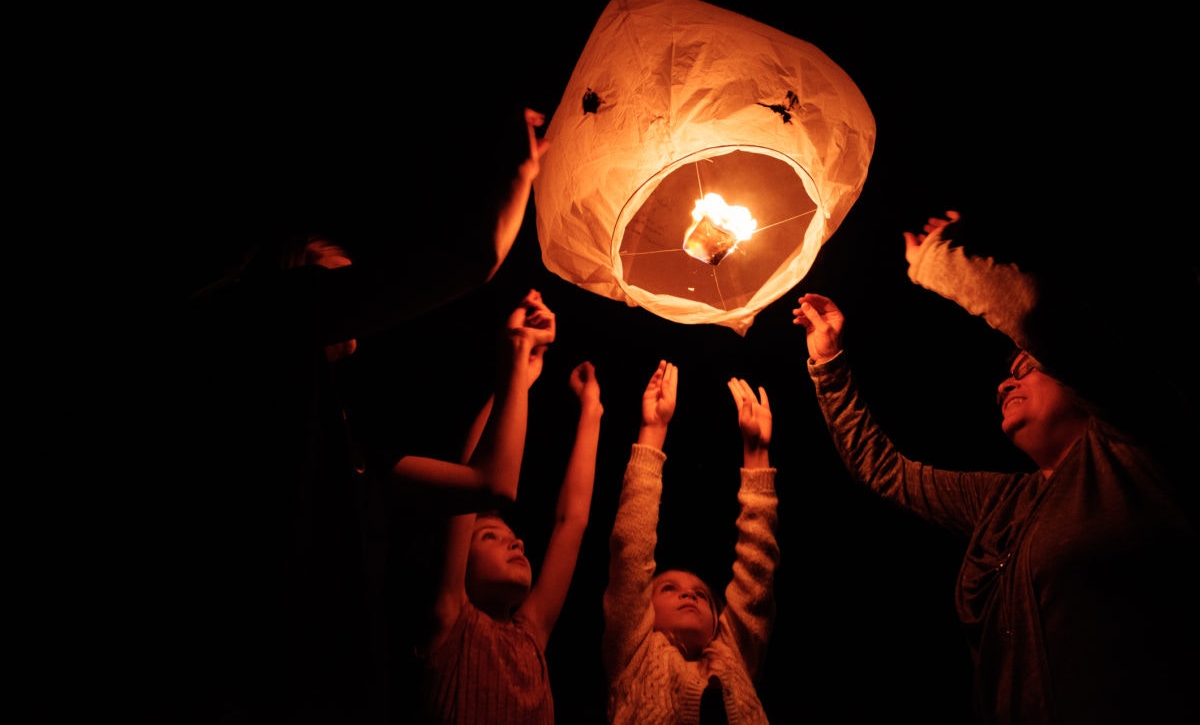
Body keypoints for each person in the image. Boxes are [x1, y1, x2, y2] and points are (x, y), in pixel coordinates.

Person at [157, 107, 551, 725]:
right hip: (236, 681)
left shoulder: (349, 448)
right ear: (291, 280)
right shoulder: (250, 320)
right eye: (335, 290)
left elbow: (490, 484)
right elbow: (472, 257)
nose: (359, 328)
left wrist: (517, 365)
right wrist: (520, 177)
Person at [792, 209, 1199, 724]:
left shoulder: (1136, 448)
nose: (1004, 384)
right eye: (1007, 376)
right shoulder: (1005, 504)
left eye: (1025, 368)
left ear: (1081, 384)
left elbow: (1039, 317)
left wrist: (936, 263)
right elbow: (884, 471)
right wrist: (828, 363)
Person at [405, 298, 603, 725]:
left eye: (504, 534)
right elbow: (472, 475)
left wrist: (592, 411)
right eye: (489, 536)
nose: (516, 540)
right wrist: (514, 378)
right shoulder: (450, 621)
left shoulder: (530, 636)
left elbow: (573, 521)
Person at [602, 360, 778, 725]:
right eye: (669, 588)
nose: (691, 595)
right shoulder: (634, 650)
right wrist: (653, 430)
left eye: (700, 593)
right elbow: (631, 548)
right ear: (643, 612)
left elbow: (756, 567)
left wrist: (756, 450)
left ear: (718, 621)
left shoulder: (735, 651)